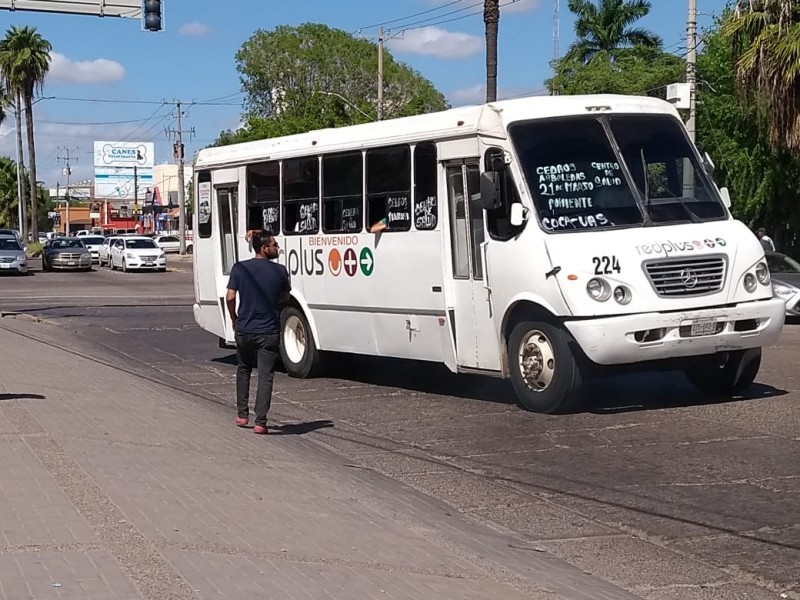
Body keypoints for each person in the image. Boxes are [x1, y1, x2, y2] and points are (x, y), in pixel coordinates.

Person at [225, 233, 290, 434]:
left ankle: (242, 415)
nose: (277, 247)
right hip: (269, 330)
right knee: (265, 376)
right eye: (274, 244)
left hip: (244, 328)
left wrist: (234, 318)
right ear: (263, 248)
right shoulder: (280, 271)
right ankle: (261, 422)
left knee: (243, 370)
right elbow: (285, 297)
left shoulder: (240, 268)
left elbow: (230, 296)